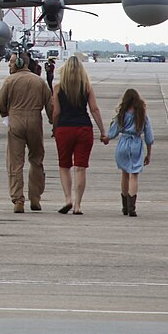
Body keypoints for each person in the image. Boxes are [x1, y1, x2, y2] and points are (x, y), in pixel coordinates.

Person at [0, 51, 53, 213]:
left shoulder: (9, 81)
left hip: (16, 122)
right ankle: (35, 198)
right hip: (35, 122)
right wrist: (53, 122)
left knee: (15, 163)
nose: (9, 64)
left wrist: (6, 115)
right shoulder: (39, 82)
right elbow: (50, 105)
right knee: (36, 160)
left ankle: (18, 200)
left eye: (12, 62)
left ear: (21, 63)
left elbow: (0, 103)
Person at [51, 56, 107, 215]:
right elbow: (94, 110)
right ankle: (77, 205)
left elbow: (56, 112)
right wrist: (102, 131)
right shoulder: (87, 87)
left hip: (65, 129)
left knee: (64, 165)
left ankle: (67, 199)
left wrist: (55, 128)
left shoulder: (58, 88)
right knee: (80, 168)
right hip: (84, 129)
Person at [107, 88, 154, 217]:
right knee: (134, 174)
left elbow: (113, 131)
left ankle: (124, 206)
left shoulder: (121, 114)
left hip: (123, 143)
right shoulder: (142, 115)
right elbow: (149, 137)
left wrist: (106, 138)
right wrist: (149, 153)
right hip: (136, 144)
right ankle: (132, 207)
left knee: (124, 173)